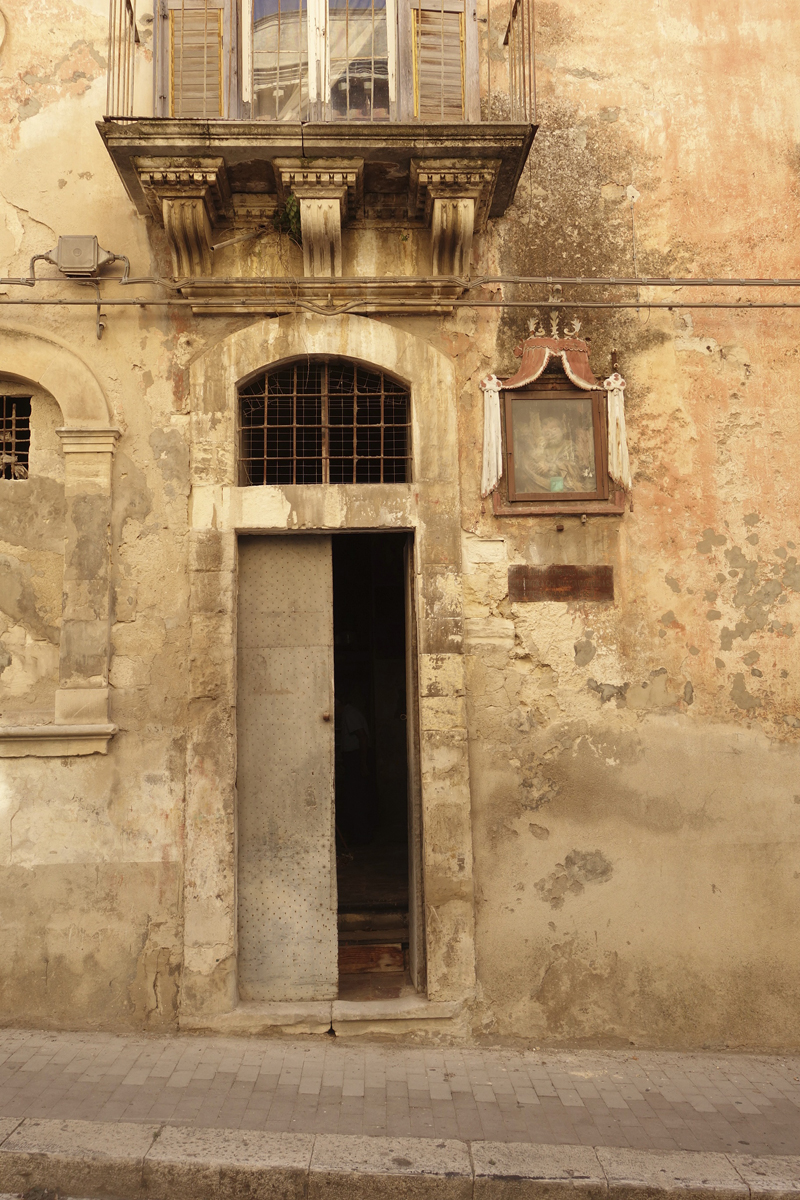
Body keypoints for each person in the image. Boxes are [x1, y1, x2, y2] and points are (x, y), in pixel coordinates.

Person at [335, 684, 377, 845]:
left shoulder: (349, 714)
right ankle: (361, 834)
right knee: (355, 797)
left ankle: (363, 836)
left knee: (357, 797)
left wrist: (363, 763)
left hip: (356, 758)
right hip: (354, 758)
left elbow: (362, 738)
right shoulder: (349, 713)